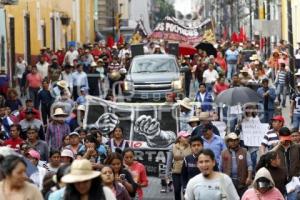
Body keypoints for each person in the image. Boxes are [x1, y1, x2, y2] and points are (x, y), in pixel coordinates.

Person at [220, 132, 253, 197]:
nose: (233, 142)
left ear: (238, 141)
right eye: (231, 141)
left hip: (242, 182)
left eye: (235, 140)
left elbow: (250, 165)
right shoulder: (223, 153)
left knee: (243, 197)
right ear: (228, 142)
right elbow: (220, 167)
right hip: (228, 182)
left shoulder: (244, 151)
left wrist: (249, 177)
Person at [166, 131, 191, 200]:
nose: (187, 138)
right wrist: (167, 175)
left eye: (187, 137)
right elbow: (169, 161)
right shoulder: (173, 147)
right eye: (185, 137)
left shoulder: (191, 146)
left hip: (187, 173)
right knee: (177, 190)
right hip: (176, 172)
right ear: (179, 138)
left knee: (185, 191)